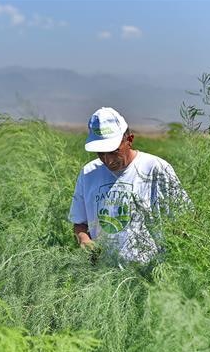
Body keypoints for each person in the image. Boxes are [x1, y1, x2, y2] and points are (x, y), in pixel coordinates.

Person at [69, 107, 191, 264]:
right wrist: (84, 240)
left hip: (151, 274)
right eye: (100, 153)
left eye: (113, 151)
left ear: (130, 140)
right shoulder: (88, 173)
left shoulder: (156, 169)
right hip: (102, 276)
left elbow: (183, 223)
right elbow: (80, 223)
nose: (108, 160)